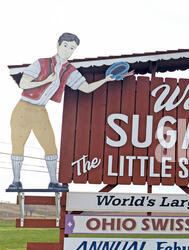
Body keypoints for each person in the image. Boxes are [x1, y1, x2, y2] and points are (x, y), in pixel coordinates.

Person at [8, 32, 115, 190]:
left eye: (72, 48)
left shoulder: (70, 71)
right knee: (18, 145)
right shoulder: (41, 63)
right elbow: (23, 84)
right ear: (58, 45)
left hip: (40, 111)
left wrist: (105, 80)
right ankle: (16, 181)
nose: (68, 50)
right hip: (23, 108)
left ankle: (53, 182)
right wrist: (46, 80)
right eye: (65, 45)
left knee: (50, 146)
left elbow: (85, 88)